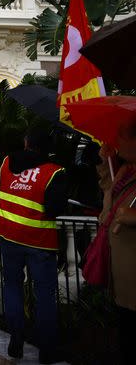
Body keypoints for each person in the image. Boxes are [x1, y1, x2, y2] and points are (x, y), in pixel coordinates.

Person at [0, 128, 67, 364]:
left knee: (12, 287)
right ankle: (46, 350)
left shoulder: (6, 163)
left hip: (8, 237)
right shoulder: (55, 172)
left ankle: (16, 340)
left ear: (26, 143)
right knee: (44, 295)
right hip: (39, 241)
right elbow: (55, 208)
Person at [98, 118, 136, 365]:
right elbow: (107, 192)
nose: (116, 141)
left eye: (121, 136)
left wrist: (129, 216)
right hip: (121, 275)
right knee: (126, 334)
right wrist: (106, 161)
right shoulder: (125, 172)